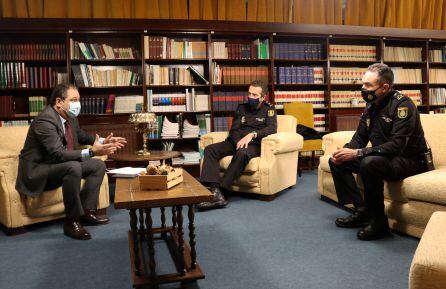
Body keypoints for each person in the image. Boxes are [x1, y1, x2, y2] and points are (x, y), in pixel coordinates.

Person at [329, 63, 429, 241]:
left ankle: (379, 223)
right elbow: (359, 138)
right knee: (337, 160)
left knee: (369, 162)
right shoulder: (370, 106)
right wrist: (345, 151)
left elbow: (396, 146)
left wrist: (359, 153)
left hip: (411, 160)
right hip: (383, 157)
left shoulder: (403, 106)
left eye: (368, 85)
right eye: (363, 84)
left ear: (384, 87)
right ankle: (362, 211)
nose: (363, 89)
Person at [16, 84, 127, 240]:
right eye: (74, 100)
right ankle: (71, 221)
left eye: (78, 100)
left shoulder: (69, 118)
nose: (78, 104)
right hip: (39, 171)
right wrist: (91, 151)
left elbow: (81, 136)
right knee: (74, 166)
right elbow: (58, 154)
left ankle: (87, 212)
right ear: (59, 102)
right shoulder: (45, 121)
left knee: (98, 165)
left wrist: (103, 140)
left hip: (58, 166)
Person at [197, 80, 277, 211]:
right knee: (210, 149)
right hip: (235, 142)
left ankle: (222, 192)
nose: (251, 97)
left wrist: (253, 134)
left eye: (255, 95)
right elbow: (234, 129)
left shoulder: (269, 109)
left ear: (263, 97)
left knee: (242, 153)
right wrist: (237, 142)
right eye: (249, 94)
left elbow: (271, 129)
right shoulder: (241, 108)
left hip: (253, 145)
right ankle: (215, 190)